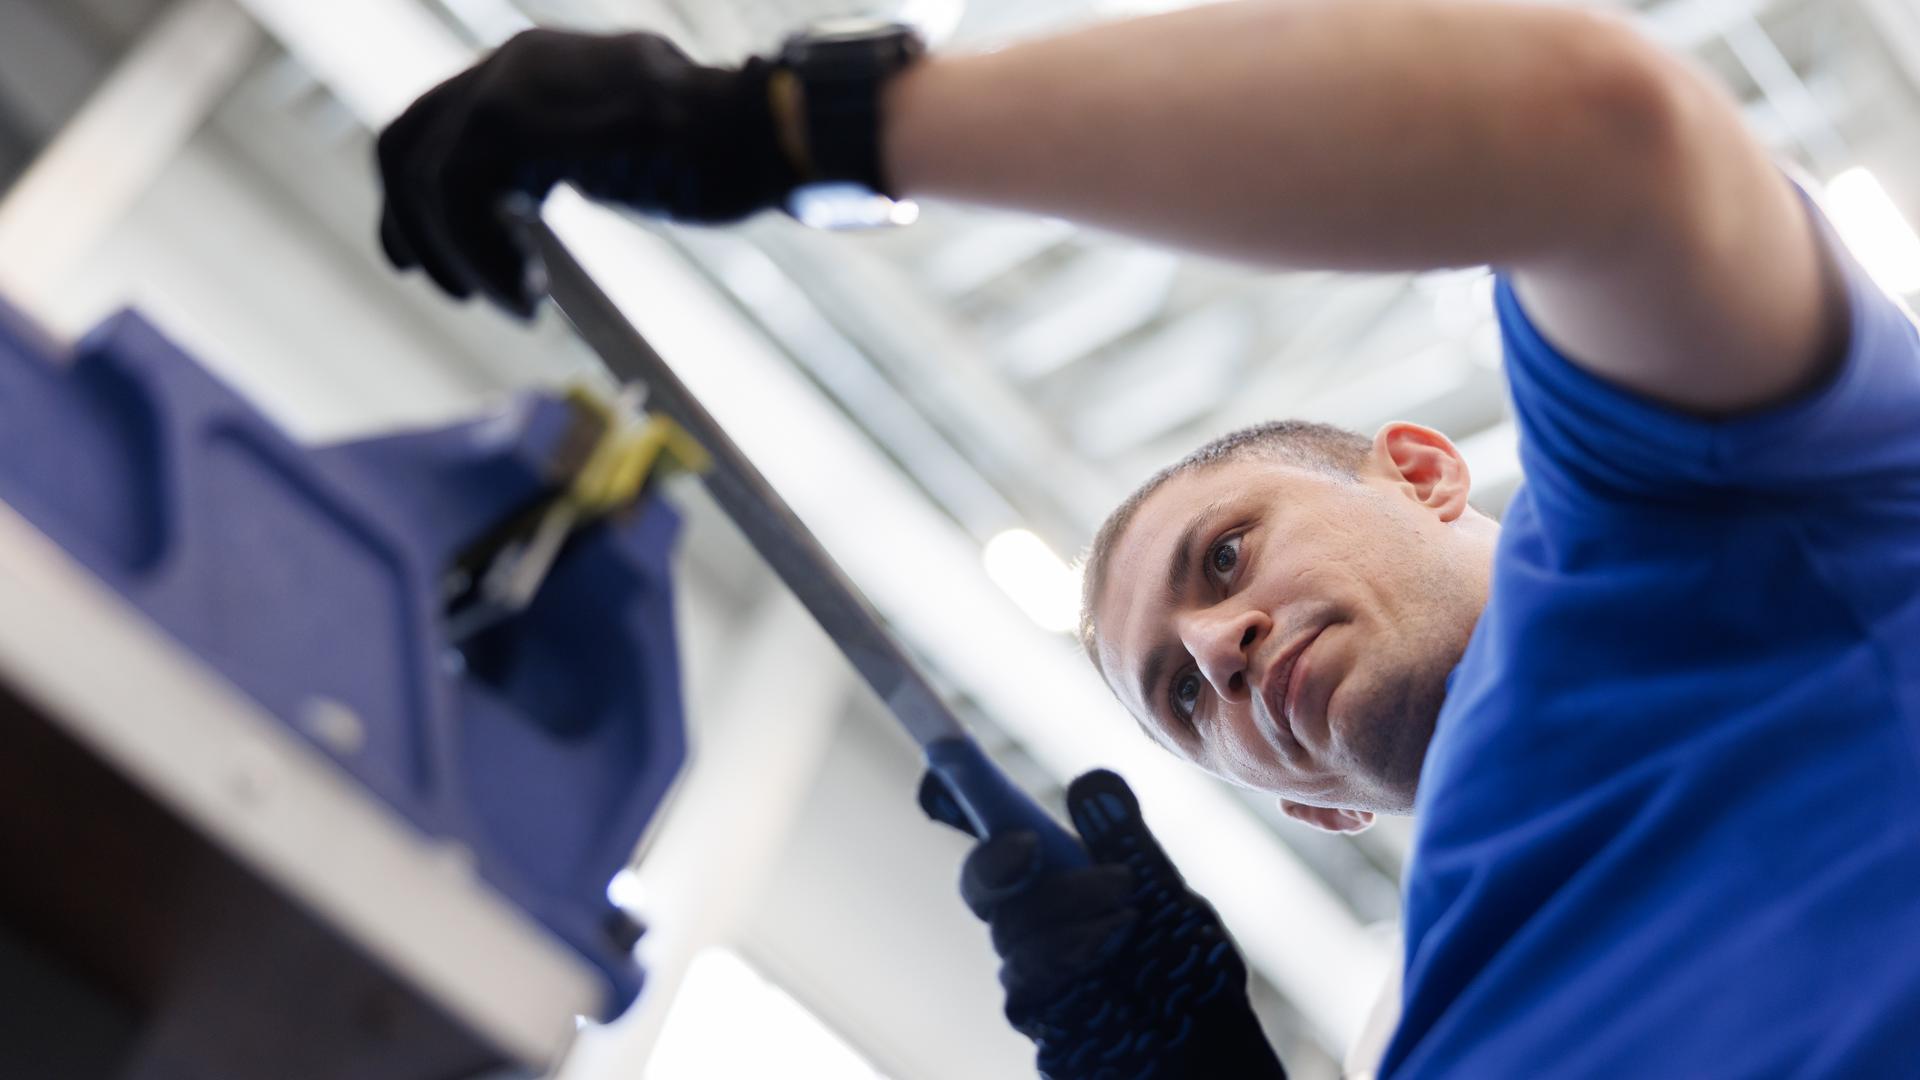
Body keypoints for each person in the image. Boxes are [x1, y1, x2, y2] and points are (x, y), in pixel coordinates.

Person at [375, 3, 1920, 1076]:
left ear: (1424, 471)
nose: (1217, 651)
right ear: (1303, 807)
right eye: (1181, 699)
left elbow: (1593, 131)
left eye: (1227, 556)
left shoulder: (1694, 511)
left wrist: (792, 127)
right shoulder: (1426, 1031)